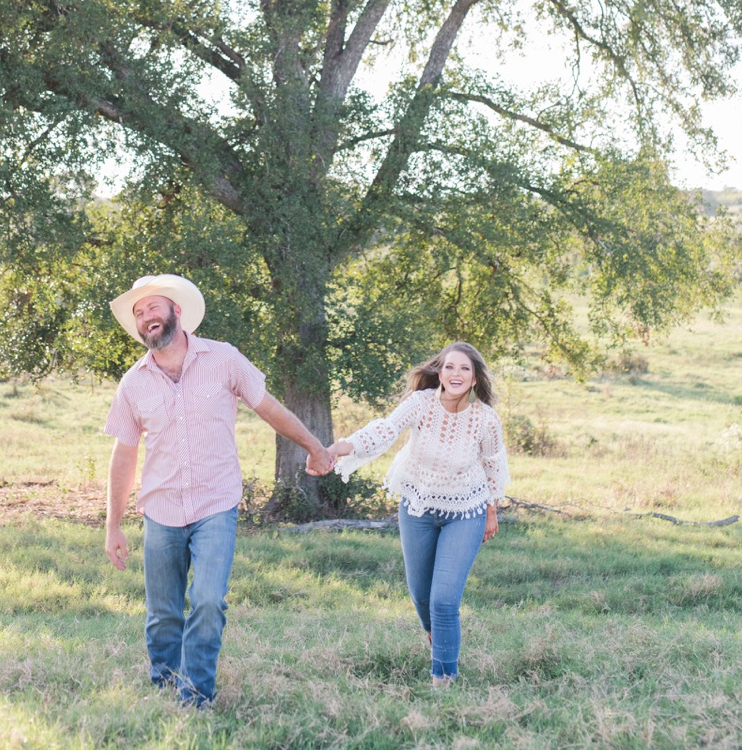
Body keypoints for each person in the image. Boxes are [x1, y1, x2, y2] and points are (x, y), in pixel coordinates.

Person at [103, 273, 333, 708]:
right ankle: (164, 689)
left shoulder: (223, 359)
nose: (147, 316)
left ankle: (196, 697)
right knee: (163, 616)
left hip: (215, 503)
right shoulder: (133, 382)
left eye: (154, 307)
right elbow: (124, 454)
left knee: (208, 602)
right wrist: (113, 525)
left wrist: (315, 447)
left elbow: (270, 408)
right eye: (138, 312)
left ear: (176, 312)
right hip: (161, 510)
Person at [327, 341, 509, 688]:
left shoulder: (485, 419)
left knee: (443, 599)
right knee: (421, 595)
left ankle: (443, 677)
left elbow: (492, 466)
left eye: (464, 369)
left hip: (465, 511)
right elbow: (385, 430)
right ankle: (436, 636)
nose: (456, 374)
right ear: (439, 372)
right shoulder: (422, 404)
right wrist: (343, 446)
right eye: (450, 367)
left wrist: (491, 511)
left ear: (474, 380)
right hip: (418, 506)